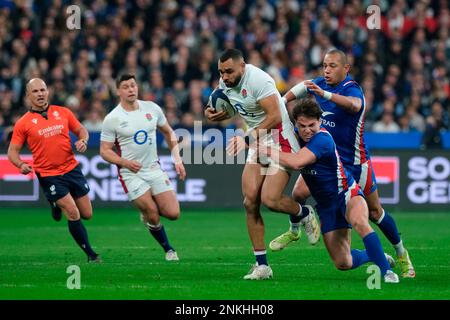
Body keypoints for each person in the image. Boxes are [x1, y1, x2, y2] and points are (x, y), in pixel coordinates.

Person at [272, 49, 415, 278]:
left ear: (345, 68)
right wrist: (280, 103)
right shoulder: (318, 83)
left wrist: (325, 95)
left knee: (375, 213)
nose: (326, 70)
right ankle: (294, 230)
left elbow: (354, 105)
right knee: (298, 193)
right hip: (328, 161)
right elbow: (300, 88)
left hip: (355, 163)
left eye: (332, 66)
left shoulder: (351, 88)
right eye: (324, 65)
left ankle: (401, 253)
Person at [205, 48, 320, 280]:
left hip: (279, 138)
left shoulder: (259, 80)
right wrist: (214, 114)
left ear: (242, 66)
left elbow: (275, 116)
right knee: (250, 202)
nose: (224, 76)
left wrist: (247, 138)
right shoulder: (225, 83)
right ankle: (262, 266)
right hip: (257, 139)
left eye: (229, 71)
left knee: (271, 199)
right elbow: (237, 107)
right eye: (221, 72)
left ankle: (304, 212)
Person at [262, 99, 399, 283]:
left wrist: (264, 149)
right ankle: (374, 254)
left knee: (360, 222)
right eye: (302, 126)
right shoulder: (294, 138)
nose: (307, 130)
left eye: (312, 125)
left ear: (320, 121)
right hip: (326, 207)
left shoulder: (323, 139)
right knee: (343, 263)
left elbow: (296, 162)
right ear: (295, 124)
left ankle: (387, 273)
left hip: (347, 194)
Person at [7, 78, 100, 262]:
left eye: (43, 90)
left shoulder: (63, 112)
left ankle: (55, 204)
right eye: (35, 91)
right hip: (49, 175)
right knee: (73, 213)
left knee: (87, 214)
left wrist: (83, 140)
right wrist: (20, 164)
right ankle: (91, 254)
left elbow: (82, 130)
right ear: (28, 95)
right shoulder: (23, 123)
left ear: (48, 91)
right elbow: (12, 152)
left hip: (72, 169)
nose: (40, 94)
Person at [100, 74, 185, 261]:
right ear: (118, 91)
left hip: (153, 168)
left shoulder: (152, 108)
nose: (130, 89)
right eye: (125, 87)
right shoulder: (112, 118)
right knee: (153, 214)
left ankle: (146, 212)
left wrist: (177, 159)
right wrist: (124, 162)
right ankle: (169, 249)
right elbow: (104, 151)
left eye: (133, 85)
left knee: (173, 213)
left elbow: (169, 132)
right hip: (130, 173)